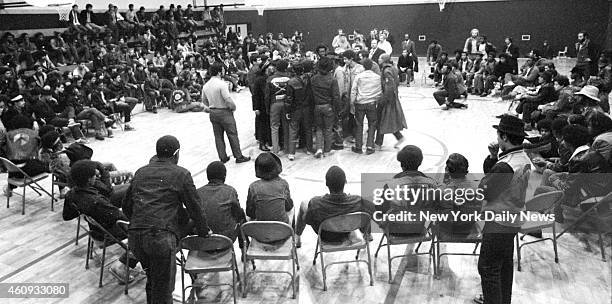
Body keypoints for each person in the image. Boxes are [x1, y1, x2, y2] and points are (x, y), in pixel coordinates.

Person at [123, 135, 211, 304]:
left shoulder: (141, 172)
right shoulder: (181, 174)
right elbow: (195, 208)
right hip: (160, 237)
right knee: (163, 289)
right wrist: (203, 231)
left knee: (153, 280)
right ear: (176, 154)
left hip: (136, 237)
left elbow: (126, 205)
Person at [475, 115, 533, 304]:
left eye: (499, 135)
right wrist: (493, 158)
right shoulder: (521, 158)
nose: (498, 138)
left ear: (505, 137)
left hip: (499, 221)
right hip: (514, 218)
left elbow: (486, 191)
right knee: (504, 265)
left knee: (488, 268)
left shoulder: (504, 166)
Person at [63, 160, 138, 284]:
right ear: (89, 180)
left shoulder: (71, 194)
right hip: (107, 232)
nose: (96, 177)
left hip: (95, 229)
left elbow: (67, 216)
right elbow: (123, 218)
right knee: (146, 233)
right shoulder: (97, 202)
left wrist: (84, 212)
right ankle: (121, 266)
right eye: (94, 175)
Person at [294, 165, 375, 247]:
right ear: (345, 182)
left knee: (304, 204)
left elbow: (308, 220)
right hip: (346, 231)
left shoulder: (316, 203)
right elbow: (374, 211)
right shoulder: (357, 201)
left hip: (326, 236)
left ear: (326, 183)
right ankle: (367, 235)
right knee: (364, 209)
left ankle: (297, 238)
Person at [201, 62, 251, 164]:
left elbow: (204, 101)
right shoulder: (222, 84)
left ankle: (223, 157)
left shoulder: (206, 86)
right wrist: (233, 107)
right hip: (224, 111)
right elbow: (227, 100)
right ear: (220, 72)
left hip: (213, 112)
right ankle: (238, 156)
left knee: (218, 136)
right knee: (232, 134)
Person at [196, 161, 246, 247]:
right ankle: (244, 249)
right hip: (225, 239)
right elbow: (238, 214)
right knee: (241, 217)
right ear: (224, 176)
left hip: (203, 239)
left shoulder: (198, 192)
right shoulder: (230, 191)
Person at [246, 152, 293, 225]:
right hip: (282, 231)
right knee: (292, 211)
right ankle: (295, 234)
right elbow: (289, 206)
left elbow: (249, 212)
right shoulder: (283, 184)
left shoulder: (253, 187)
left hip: (261, 232)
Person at [310, 56, 340, 158]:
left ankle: (318, 148)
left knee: (318, 128)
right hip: (328, 107)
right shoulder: (333, 80)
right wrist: (337, 109)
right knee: (328, 129)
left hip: (316, 106)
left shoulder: (313, 79)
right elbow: (336, 96)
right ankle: (327, 150)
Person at [376, 54, 407, 149]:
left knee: (381, 120)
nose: (378, 59)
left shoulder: (386, 71)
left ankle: (378, 143)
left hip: (388, 100)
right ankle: (399, 137)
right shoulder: (393, 68)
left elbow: (389, 86)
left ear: (384, 60)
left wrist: (383, 100)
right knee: (388, 120)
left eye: (380, 58)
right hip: (393, 98)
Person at [350, 58, 381, 155]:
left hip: (360, 104)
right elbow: (380, 91)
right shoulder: (377, 77)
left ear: (363, 66)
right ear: (372, 66)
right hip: (372, 104)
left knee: (359, 124)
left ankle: (358, 146)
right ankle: (370, 146)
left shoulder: (358, 77)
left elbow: (353, 90)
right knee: (372, 124)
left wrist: (352, 103)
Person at [286, 61, 313, 161]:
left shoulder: (291, 82)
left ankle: (292, 153)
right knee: (308, 129)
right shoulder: (309, 79)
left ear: (293, 70)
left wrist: (288, 111)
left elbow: (289, 99)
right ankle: (309, 149)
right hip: (307, 108)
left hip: (295, 109)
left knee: (293, 130)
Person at [265, 60, 292, 154]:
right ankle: (287, 148)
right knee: (286, 126)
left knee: (274, 127)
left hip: (274, 104)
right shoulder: (289, 78)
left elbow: (267, 95)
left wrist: (267, 108)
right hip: (286, 104)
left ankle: (275, 150)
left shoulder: (270, 79)